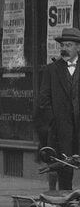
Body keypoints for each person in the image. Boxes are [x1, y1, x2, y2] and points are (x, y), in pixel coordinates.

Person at [36, 27, 80, 190]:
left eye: (68, 45)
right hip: (61, 132)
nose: (64, 49)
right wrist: (54, 124)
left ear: (78, 47)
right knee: (64, 171)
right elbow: (43, 101)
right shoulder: (51, 70)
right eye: (62, 45)